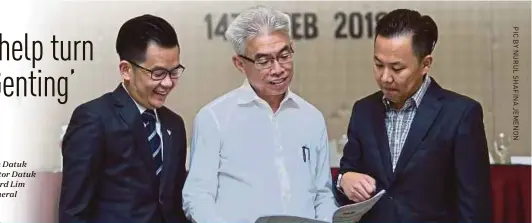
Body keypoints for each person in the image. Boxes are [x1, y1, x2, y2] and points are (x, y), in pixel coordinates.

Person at [182, 5, 338, 223]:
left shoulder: (311, 118)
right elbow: (197, 196)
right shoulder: (214, 118)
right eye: (264, 61)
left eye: (284, 55)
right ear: (240, 64)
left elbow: (322, 194)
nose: (278, 69)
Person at [335, 9, 492, 223]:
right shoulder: (363, 110)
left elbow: (474, 208)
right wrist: (345, 179)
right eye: (378, 65)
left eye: (397, 68)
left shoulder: (461, 114)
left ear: (425, 64)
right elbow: (348, 169)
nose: (385, 77)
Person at [59, 14, 189, 223]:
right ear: (126, 70)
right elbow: (74, 210)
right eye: (158, 73)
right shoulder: (94, 118)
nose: (167, 83)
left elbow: (174, 202)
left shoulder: (174, 124)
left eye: (174, 72)